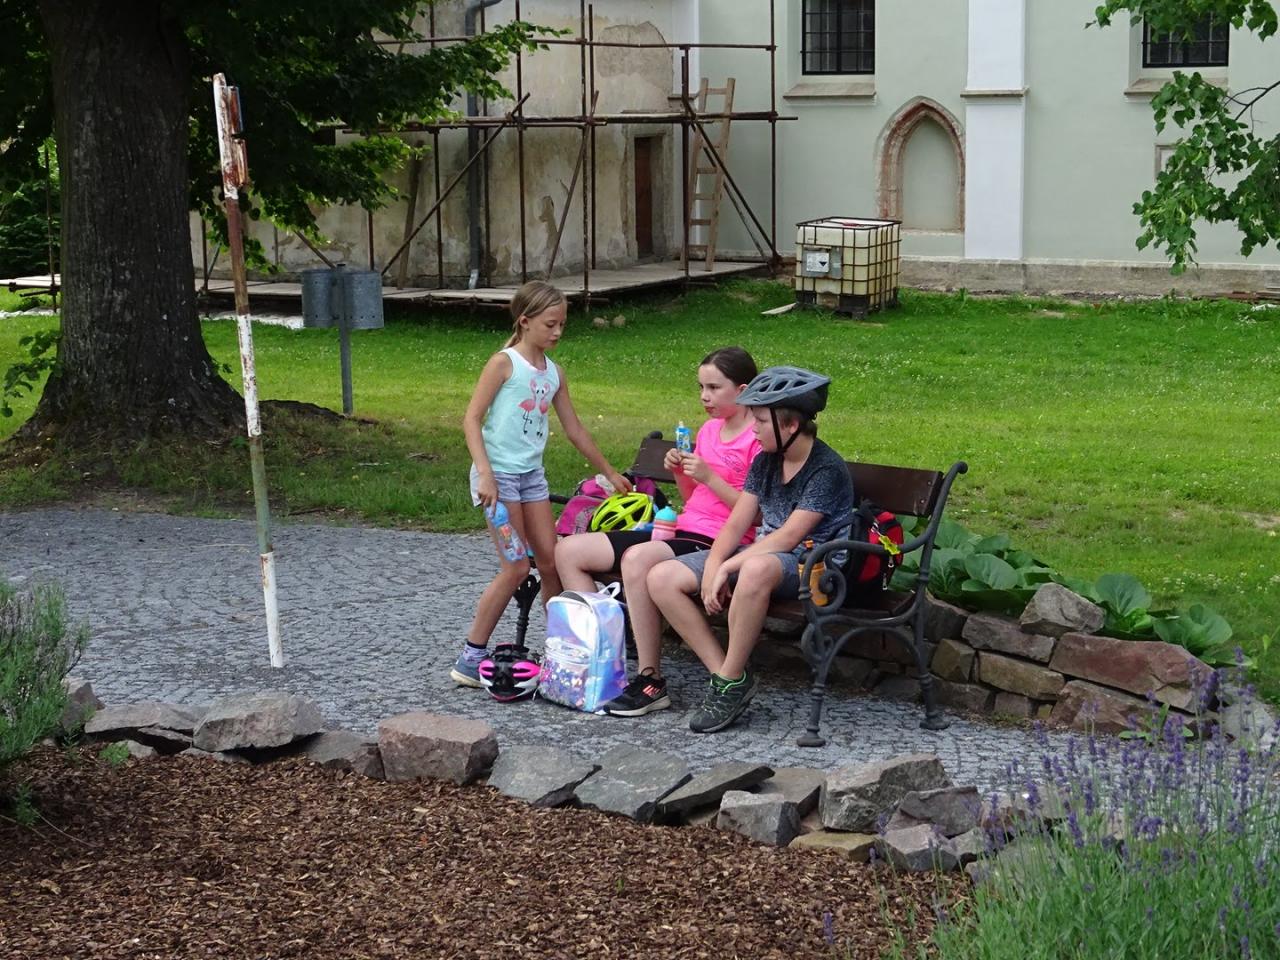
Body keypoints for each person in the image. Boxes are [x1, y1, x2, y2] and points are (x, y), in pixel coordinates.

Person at [555, 347, 762, 717]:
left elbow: (757, 516)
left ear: (743, 390)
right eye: (701, 387)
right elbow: (694, 499)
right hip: (684, 529)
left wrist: (709, 477)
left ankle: (652, 678)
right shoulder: (710, 430)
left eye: (714, 388)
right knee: (569, 551)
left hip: (720, 540)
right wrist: (682, 473)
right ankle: (602, 659)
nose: (704, 396)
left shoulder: (757, 438)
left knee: (637, 559)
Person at [647, 366, 854, 733]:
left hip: (814, 565)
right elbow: (736, 523)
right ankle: (732, 676)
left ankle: (727, 682)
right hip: (765, 555)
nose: (753, 428)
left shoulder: (826, 469)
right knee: (661, 578)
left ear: (790, 426)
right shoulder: (765, 460)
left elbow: (788, 538)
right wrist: (714, 562)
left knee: (756, 568)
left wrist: (729, 567)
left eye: (760, 420)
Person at [451, 280, 632, 687]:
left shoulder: (554, 373)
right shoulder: (504, 364)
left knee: (551, 563)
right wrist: (485, 473)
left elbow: (574, 429)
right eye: (550, 324)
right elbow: (471, 419)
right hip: (498, 479)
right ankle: (470, 656)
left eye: (562, 324)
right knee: (516, 567)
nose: (557, 332)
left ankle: (561, 652)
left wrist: (609, 471)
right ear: (525, 321)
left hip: (531, 478)